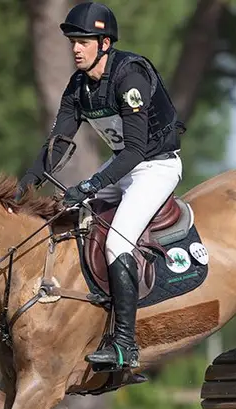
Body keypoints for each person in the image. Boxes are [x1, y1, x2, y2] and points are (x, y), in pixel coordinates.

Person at [15, 2, 186, 371]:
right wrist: (29, 180)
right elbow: (58, 142)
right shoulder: (78, 86)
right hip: (125, 164)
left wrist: (90, 184)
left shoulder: (130, 77)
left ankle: (125, 344)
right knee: (71, 215)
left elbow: (136, 150)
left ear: (105, 44)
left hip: (156, 166)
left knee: (117, 242)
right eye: (73, 42)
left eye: (84, 42)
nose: (76, 49)